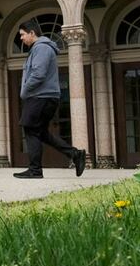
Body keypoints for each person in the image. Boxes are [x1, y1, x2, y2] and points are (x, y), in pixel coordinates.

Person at [13, 20, 86, 179]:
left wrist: (24, 91)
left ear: (32, 33)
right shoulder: (40, 48)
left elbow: (38, 74)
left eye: (22, 35)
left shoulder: (42, 48)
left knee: (30, 129)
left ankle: (35, 170)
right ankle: (75, 154)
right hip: (44, 97)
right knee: (41, 133)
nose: (21, 38)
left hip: (41, 97)